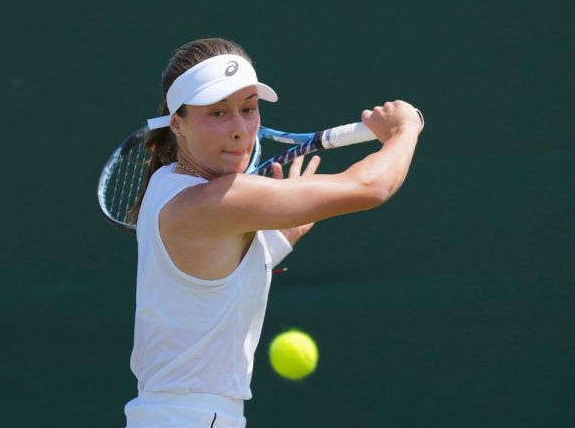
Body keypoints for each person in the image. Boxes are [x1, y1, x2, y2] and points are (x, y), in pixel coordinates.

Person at [124, 37, 423, 428]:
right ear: (177, 123)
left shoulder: (167, 184)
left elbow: (209, 283)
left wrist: (280, 237)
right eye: (218, 113)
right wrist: (405, 131)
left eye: (248, 109)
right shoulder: (213, 200)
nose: (240, 130)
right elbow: (371, 187)